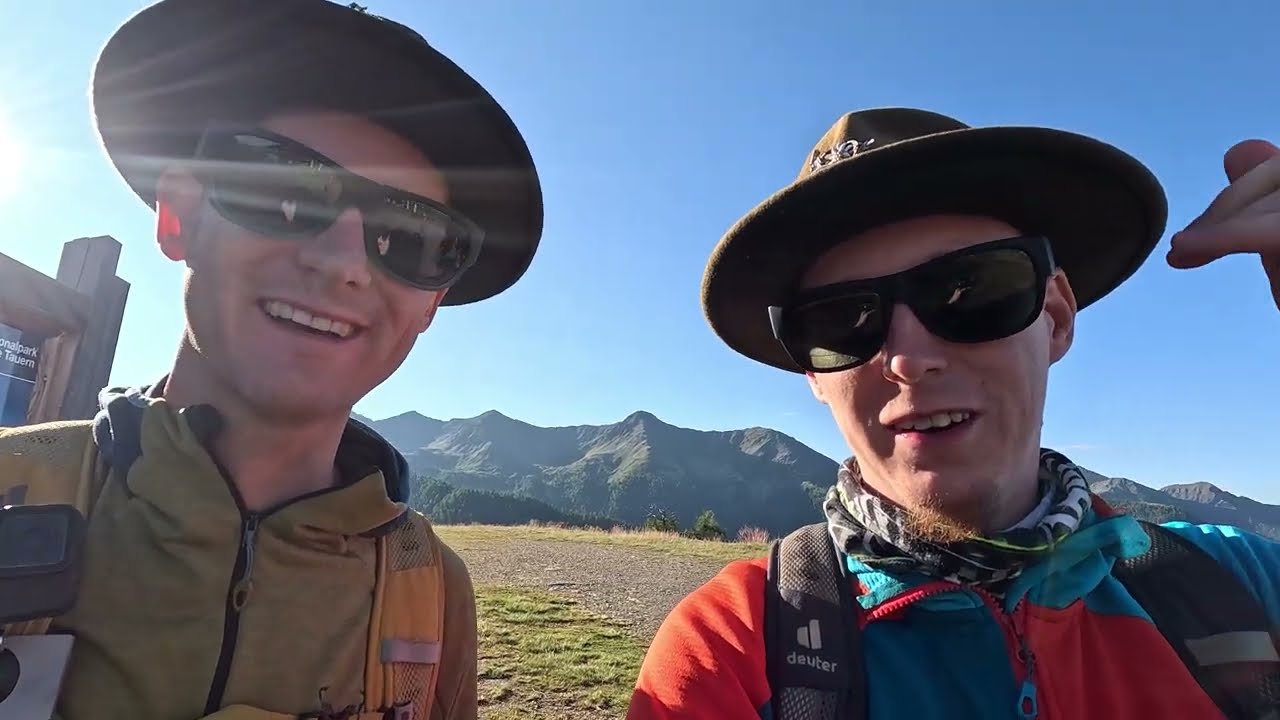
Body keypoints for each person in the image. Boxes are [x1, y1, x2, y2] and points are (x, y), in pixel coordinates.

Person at [626, 108, 1280, 719]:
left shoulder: (1242, 587)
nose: (908, 360)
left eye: (969, 291)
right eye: (840, 322)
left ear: (1054, 316)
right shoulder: (736, 649)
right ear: (813, 376)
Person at [0, 1, 542, 718]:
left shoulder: (436, 593)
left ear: (430, 303)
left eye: (411, 237)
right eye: (285, 190)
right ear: (178, 215)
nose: (343, 262)